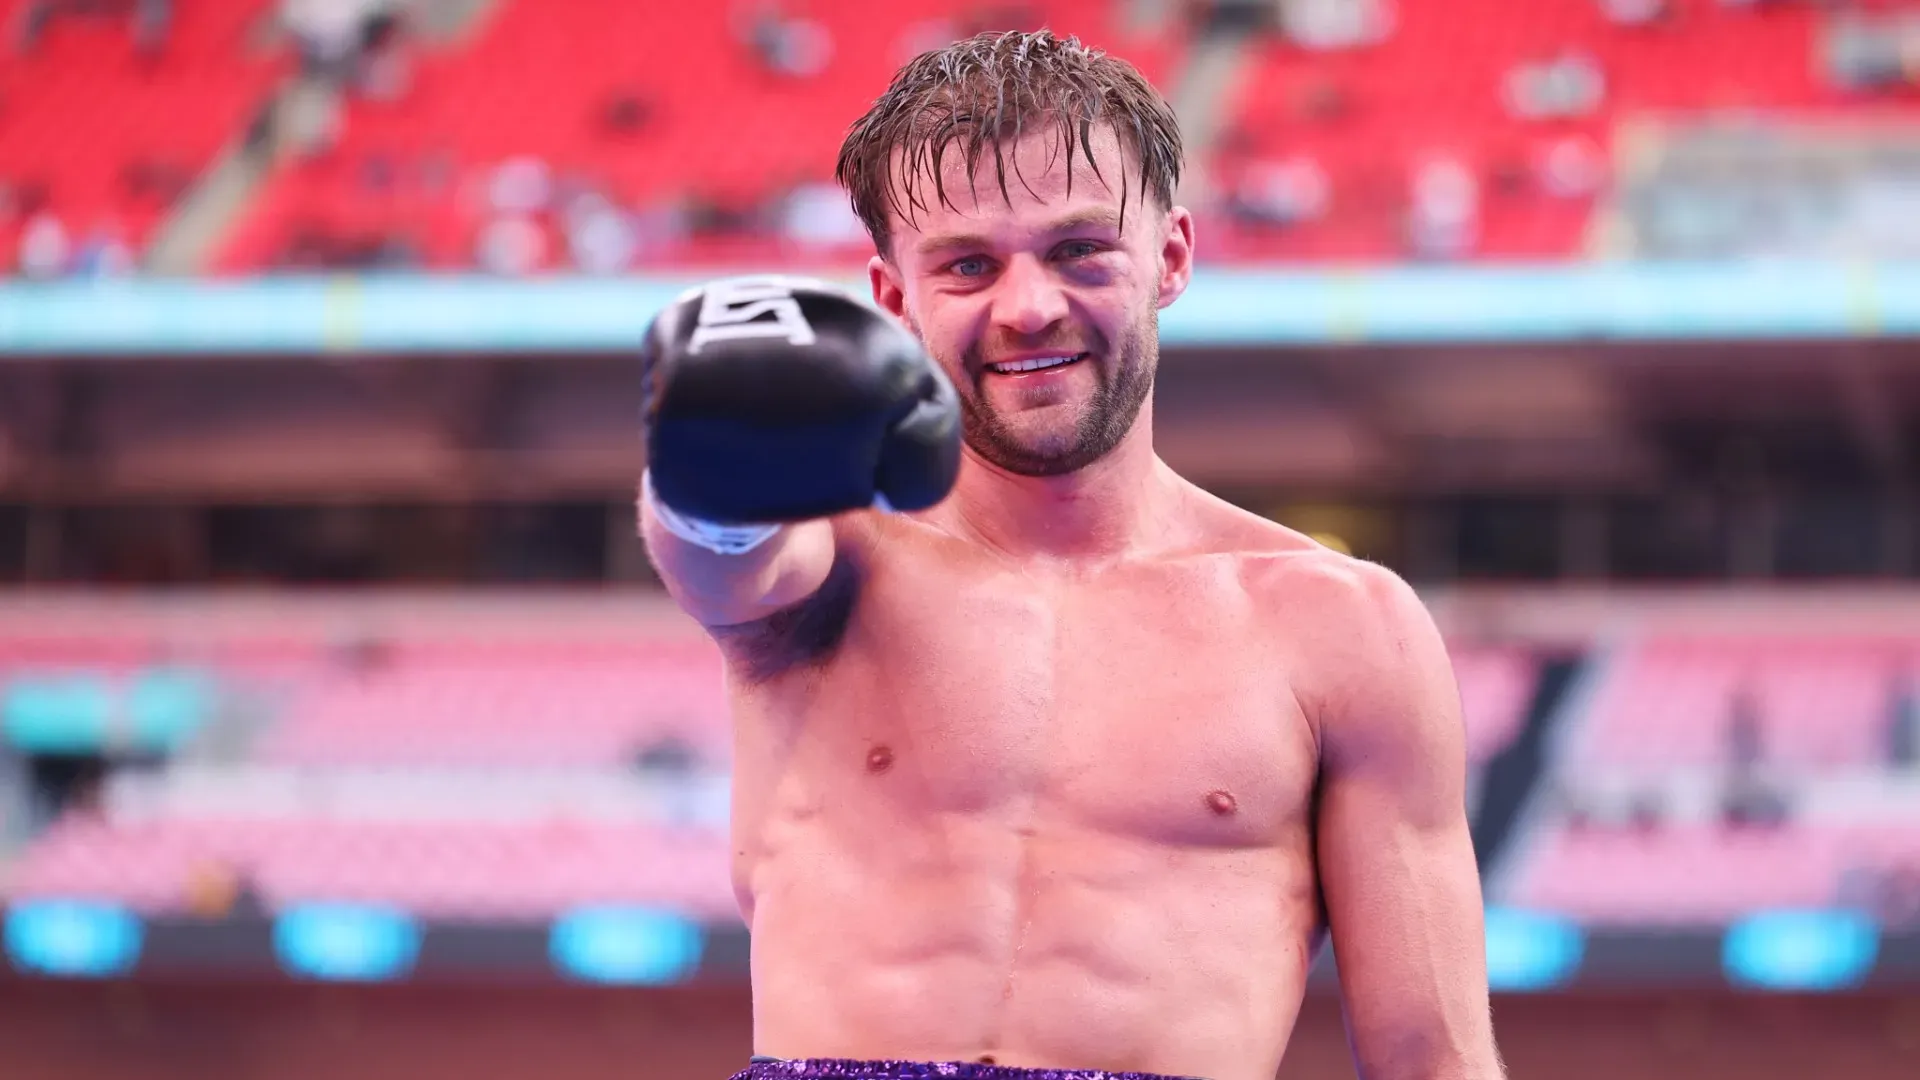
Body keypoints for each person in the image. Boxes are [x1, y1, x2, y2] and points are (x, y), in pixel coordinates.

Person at [638, 29, 1504, 1080]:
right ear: (894, 296)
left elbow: (1432, 1057)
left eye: (1079, 249)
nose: (1030, 306)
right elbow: (721, 562)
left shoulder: (1340, 626)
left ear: (1172, 258)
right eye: (968, 264)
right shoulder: (833, 557)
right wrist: (707, 464)